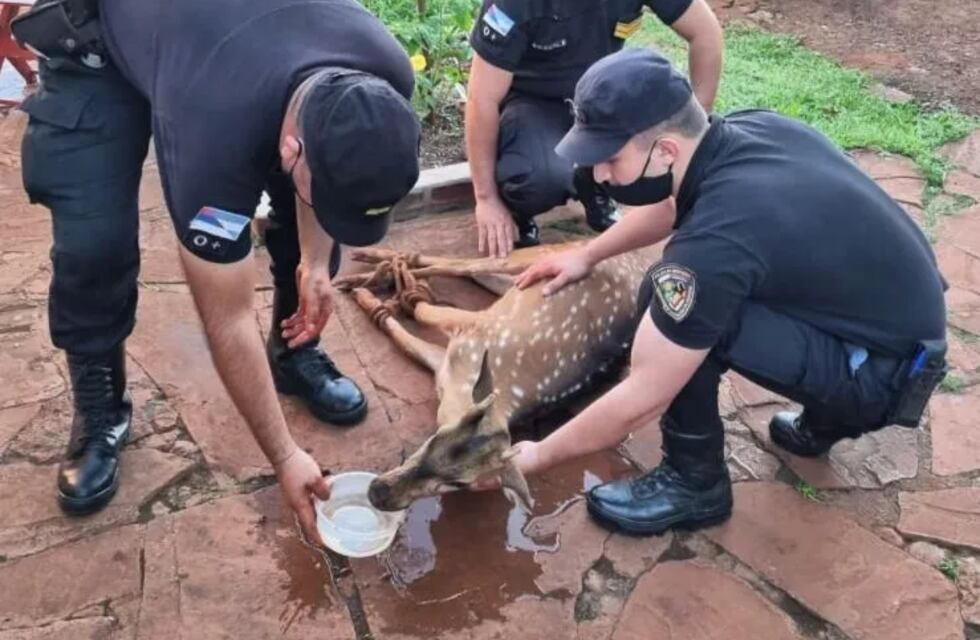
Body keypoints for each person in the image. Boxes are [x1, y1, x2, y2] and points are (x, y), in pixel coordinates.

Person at [479, 47, 948, 535]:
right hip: (900, 328)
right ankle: (828, 419)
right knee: (720, 289)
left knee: (670, 303)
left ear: (665, 151)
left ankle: (694, 481)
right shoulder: (744, 129)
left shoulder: (718, 241)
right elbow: (672, 207)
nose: (598, 175)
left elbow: (644, 396)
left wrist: (534, 456)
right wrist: (588, 254)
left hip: (887, 374)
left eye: (610, 158)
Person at [13, 0, 421, 540]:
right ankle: (100, 408)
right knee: (94, 242)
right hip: (103, 48)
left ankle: (294, 353)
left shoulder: (384, 75)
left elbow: (329, 157)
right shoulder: (213, 131)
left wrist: (318, 264)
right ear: (289, 146)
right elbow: (227, 318)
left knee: (310, 226)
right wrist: (284, 455)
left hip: (224, 46)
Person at [465, 0, 723, 258]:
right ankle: (519, 209)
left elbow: (705, 32)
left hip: (602, 95)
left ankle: (593, 187)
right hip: (534, 101)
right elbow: (482, 98)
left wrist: (695, 125)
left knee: (646, 160)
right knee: (538, 181)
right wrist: (486, 198)